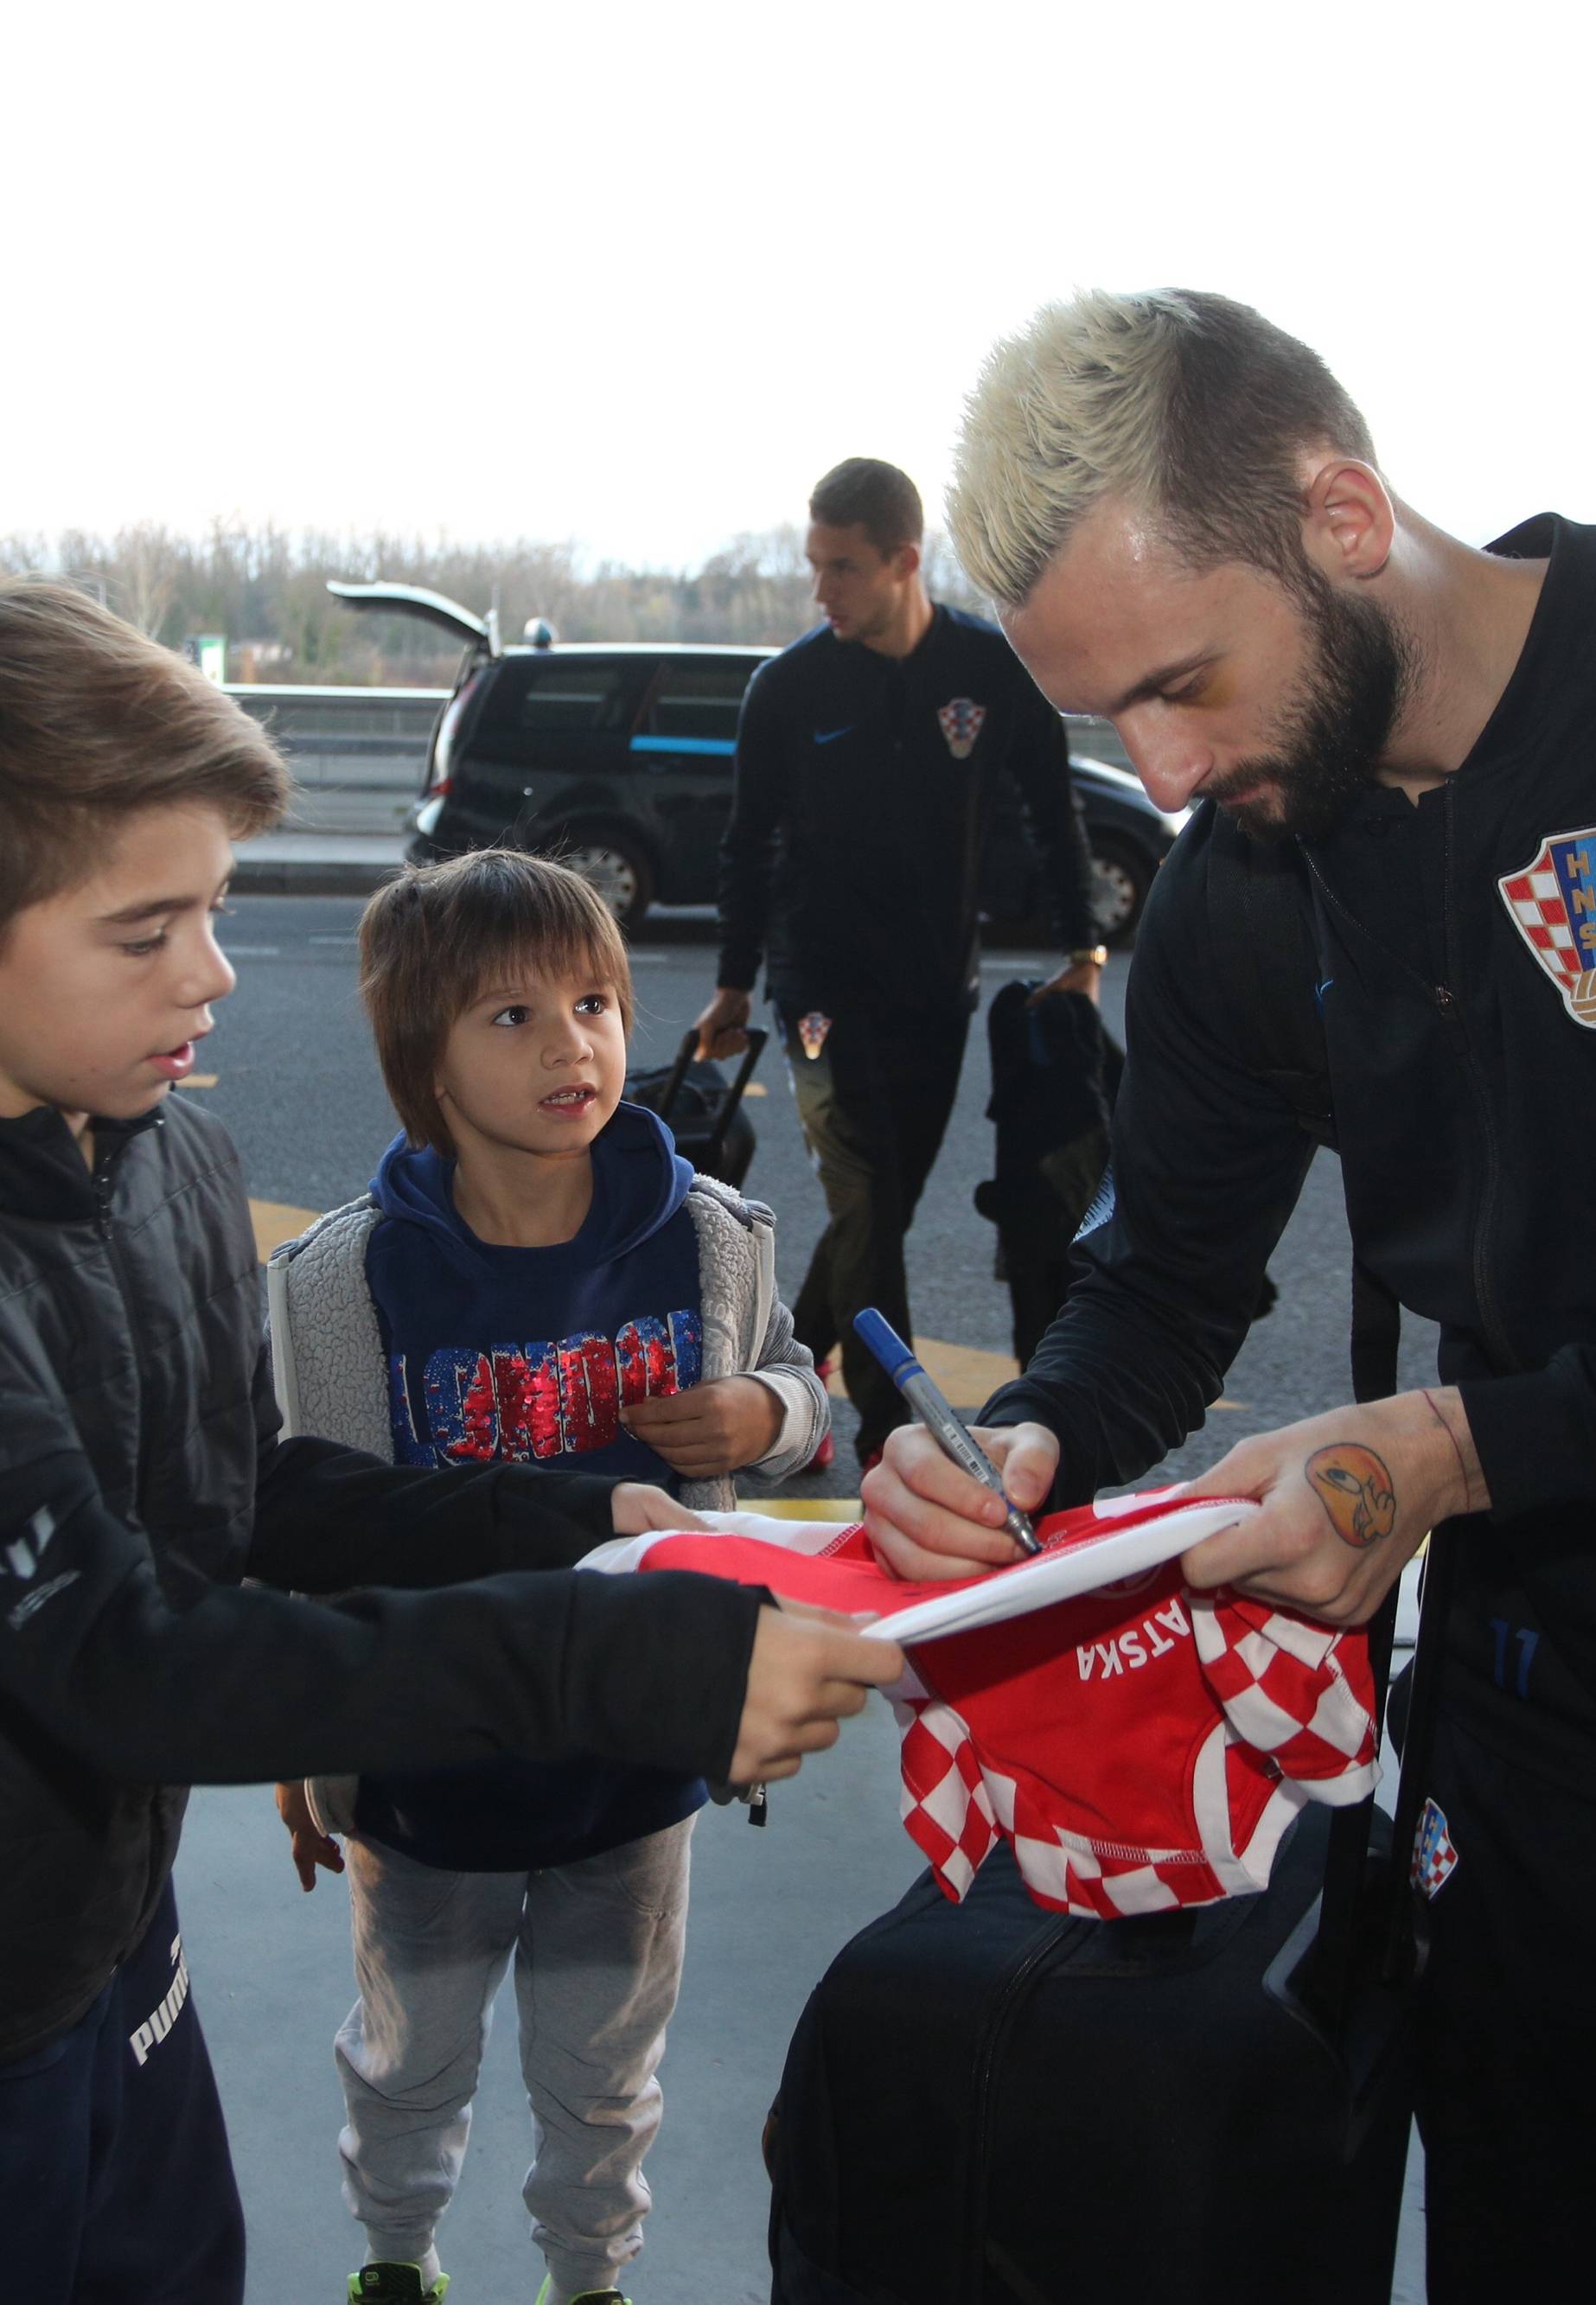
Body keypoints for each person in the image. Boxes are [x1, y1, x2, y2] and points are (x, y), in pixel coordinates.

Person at [861, 291, 1596, 2304]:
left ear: (1341, 512)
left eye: (1186, 684)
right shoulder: (1244, 881)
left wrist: (1451, 1440)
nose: (1169, 768)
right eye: (1107, 719)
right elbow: (1164, 1270)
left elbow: (1460, 1430)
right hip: (1547, 1719)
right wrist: (1028, 1431)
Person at [0, 577, 903, 2305]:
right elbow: (131, 1655)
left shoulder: (165, 1154)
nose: (210, 970)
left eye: (213, 908)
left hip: (114, 1926)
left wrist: (578, 1515)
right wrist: (601, 1652)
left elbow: (233, 1495)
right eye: (145, 931)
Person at [266, 848, 829, 2305]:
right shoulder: (350, 1280)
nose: (571, 1043)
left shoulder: (706, 1236)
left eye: (592, 1000)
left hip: (636, 1761)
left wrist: (768, 1417)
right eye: (508, 1016)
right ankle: (397, 2257)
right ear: (422, 1061)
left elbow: (797, 1385)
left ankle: (590, 2275)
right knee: (412, 2053)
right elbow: (312, 1522)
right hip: (434, 1763)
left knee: (605, 2071)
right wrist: (302, 1736)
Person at [694, 457, 1108, 1469]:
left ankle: (775, 1374)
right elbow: (746, 847)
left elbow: (1055, 814)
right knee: (867, 1198)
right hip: (818, 998)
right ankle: (892, 1435)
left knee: (877, 1215)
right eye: (814, 565)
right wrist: (736, 981)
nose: (821, 589)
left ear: (904, 561)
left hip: (937, 995)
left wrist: (1085, 946)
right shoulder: (786, 688)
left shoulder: (989, 672)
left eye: (842, 567)